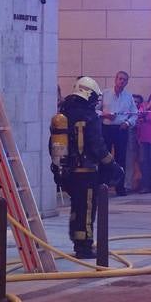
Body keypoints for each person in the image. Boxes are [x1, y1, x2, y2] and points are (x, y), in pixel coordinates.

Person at [54, 76, 122, 259]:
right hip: (86, 171)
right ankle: (84, 246)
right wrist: (113, 165)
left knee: (77, 207)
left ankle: (77, 241)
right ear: (88, 94)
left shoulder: (65, 112)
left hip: (68, 172)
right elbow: (97, 145)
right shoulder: (89, 116)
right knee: (87, 209)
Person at [100, 71, 137, 196]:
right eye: (120, 79)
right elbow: (94, 110)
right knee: (105, 157)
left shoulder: (128, 96)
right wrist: (104, 114)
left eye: (124, 80)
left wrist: (127, 123)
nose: (122, 81)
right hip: (107, 128)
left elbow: (134, 114)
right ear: (115, 79)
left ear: (127, 82)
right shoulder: (105, 93)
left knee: (121, 158)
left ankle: (120, 187)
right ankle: (103, 185)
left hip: (121, 129)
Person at [124, 94, 143, 193]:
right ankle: (128, 185)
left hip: (143, 142)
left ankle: (143, 184)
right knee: (129, 163)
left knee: (143, 162)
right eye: (134, 101)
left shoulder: (144, 113)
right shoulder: (128, 115)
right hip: (131, 143)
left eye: (137, 102)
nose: (135, 104)